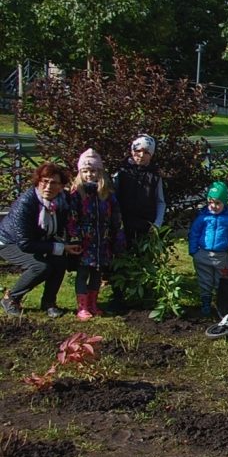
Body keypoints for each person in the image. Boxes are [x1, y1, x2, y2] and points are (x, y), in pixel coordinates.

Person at [0, 163, 80, 317]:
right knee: (40, 266)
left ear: (61, 186)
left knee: (59, 260)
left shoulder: (62, 200)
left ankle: (49, 303)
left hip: (37, 241)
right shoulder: (26, 203)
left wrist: (68, 244)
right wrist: (60, 247)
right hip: (9, 242)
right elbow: (25, 243)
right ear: (38, 182)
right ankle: (11, 298)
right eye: (45, 181)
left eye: (54, 182)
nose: (48, 186)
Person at [66, 149, 125, 321]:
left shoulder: (106, 194)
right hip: (84, 242)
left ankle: (93, 303)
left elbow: (116, 217)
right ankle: (82, 307)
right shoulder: (77, 194)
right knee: (83, 273)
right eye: (85, 171)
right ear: (80, 173)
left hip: (102, 241)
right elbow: (72, 218)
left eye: (93, 171)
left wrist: (118, 237)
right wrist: (75, 237)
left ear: (100, 172)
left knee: (97, 274)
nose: (89, 174)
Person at [189, 181, 228, 317]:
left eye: (218, 203)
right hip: (203, 254)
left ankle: (222, 305)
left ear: (224, 202)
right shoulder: (203, 217)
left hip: (221, 256)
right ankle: (206, 304)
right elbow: (194, 233)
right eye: (211, 202)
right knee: (205, 281)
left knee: (222, 281)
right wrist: (193, 251)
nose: (214, 206)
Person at [113, 134, 165, 244]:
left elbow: (160, 201)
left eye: (146, 152)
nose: (141, 155)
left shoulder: (155, 176)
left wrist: (157, 224)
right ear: (132, 151)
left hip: (146, 227)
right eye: (138, 151)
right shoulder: (122, 173)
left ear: (151, 155)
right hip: (123, 226)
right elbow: (114, 198)